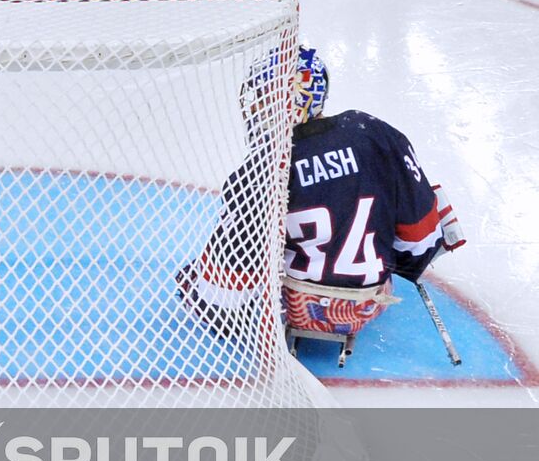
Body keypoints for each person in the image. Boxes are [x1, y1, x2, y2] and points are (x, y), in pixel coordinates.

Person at [177, 46, 464, 339]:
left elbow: (222, 297)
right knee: (425, 195)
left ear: (286, 101)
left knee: (197, 273)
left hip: (297, 307)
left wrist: (194, 286)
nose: (253, 109)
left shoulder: (262, 168)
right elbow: (419, 242)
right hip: (369, 302)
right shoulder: (374, 133)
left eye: (262, 99)